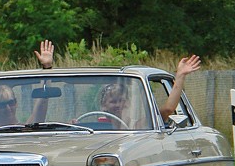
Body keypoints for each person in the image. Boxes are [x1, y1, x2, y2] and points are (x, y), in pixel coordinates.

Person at [33, 39, 201, 124]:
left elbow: (169, 109)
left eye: (121, 100)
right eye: (112, 101)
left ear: (127, 102)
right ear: (103, 106)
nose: (117, 104)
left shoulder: (141, 125)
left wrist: (180, 76)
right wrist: (47, 68)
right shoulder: (87, 127)